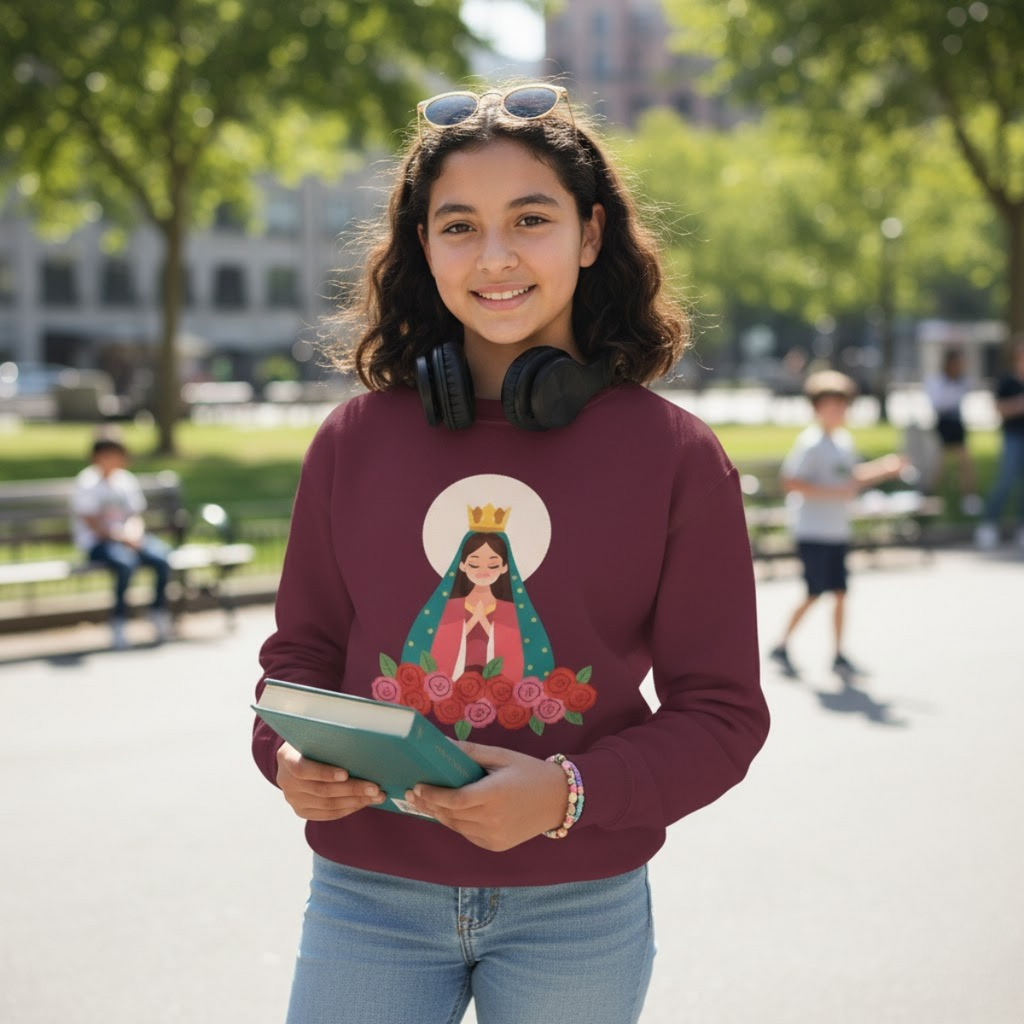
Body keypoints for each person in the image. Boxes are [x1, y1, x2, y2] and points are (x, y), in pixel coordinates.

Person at [252, 82, 769, 1024]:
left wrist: (569, 794)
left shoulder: (677, 458)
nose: (494, 257)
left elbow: (724, 715)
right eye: (459, 226)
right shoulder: (352, 442)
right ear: (424, 247)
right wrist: (283, 754)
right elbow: (298, 662)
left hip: (578, 908)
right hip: (368, 900)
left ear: (591, 234)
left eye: (530, 219)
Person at [768, 371, 908, 678]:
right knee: (814, 592)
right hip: (812, 531)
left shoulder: (843, 441)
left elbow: (851, 478)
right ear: (817, 409)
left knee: (841, 593)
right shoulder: (810, 443)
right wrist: (833, 492)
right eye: (830, 406)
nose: (837, 412)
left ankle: (839, 653)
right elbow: (791, 481)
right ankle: (781, 644)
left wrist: (885, 469)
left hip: (836, 530)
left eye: (841, 406)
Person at [70, 436, 173, 649]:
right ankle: (118, 621)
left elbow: (135, 515)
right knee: (125, 564)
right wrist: (122, 537)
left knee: (162, 558)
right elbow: (92, 523)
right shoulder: (86, 483)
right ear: (97, 456)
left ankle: (157, 612)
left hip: (129, 538)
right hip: (99, 543)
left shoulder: (125, 480)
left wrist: (134, 534)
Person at [974, 340, 1024, 550]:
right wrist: (1019, 404)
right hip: (1012, 436)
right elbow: (998, 409)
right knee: (1004, 481)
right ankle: (989, 523)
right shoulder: (1007, 382)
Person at [924, 347, 982, 514]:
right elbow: (939, 403)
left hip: (956, 424)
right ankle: (930, 498)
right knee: (938, 465)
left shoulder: (961, 381)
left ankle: (969, 497)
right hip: (943, 424)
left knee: (965, 463)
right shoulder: (937, 381)